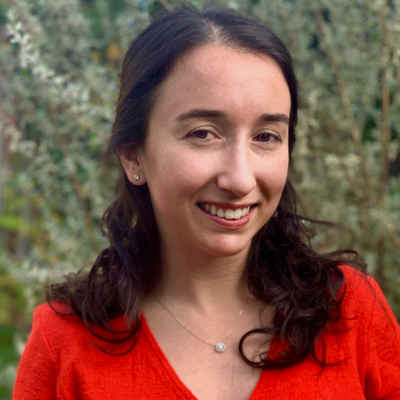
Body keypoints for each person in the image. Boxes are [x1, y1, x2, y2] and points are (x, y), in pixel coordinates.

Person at [13, 6, 400, 400]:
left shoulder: (349, 312)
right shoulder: (64, 342)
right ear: (133, 155)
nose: (240, 179)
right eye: (203, 133)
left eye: (266, 136)